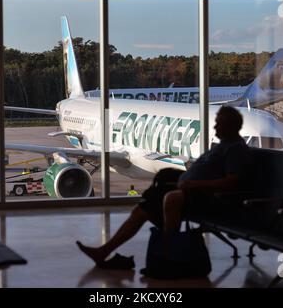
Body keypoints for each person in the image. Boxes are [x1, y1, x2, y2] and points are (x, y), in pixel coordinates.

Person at [76, 106, 252, 266]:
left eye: (219, 125)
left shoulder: (235, 150)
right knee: (143, 208)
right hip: (190, 189)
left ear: (230, 127)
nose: (215, 128)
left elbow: (231, 182)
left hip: (202, 197)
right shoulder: (224, 145)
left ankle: (169, 252)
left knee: (163, 200)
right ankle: (106, 250)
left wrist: (193, 183)